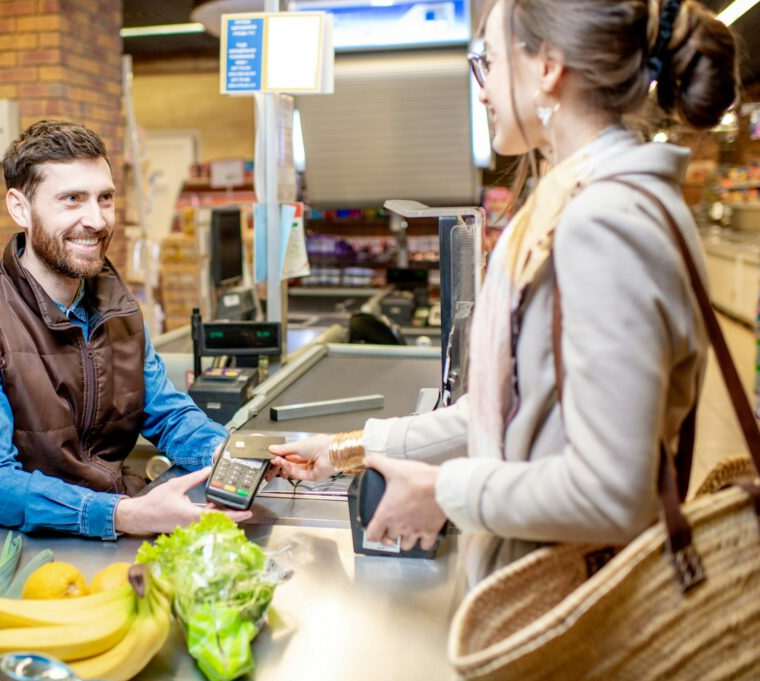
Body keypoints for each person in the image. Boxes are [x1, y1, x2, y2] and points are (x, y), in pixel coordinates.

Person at [271, 0, 738, 585]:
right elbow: (503, 414)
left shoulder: (605, 222)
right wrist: (346, 449)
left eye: (486, 61)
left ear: (547, 67)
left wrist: (447, 491)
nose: (483, 89)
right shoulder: (583, 201)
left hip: (566, 609)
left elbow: (613, 492)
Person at [0, 120, 250, 539]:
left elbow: (165, 412)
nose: (95, 220)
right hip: (2, 542)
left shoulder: (115, 303)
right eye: (72, 199)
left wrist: (227, 454)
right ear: (20, 207)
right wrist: (122, 514)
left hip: (106, 520)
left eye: (104, 198)